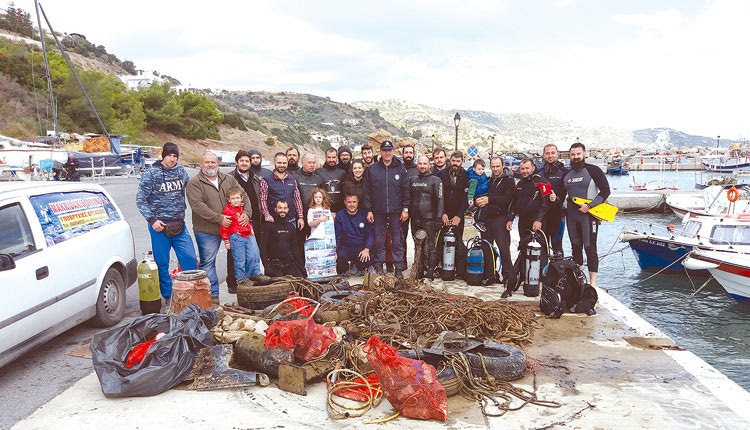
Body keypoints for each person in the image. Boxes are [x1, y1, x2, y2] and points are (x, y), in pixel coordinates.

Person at [136, 142, 197, 305]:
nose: (172, 159)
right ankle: (169, 297)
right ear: (163, 155)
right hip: (159, 226)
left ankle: (190, 293)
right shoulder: (151, 174)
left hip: (179, 225)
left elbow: (193, 189)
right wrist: (152, 220)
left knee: (190, 258)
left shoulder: (181, 171)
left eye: (175, 156)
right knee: (162, 263)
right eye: (169, 155)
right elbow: (140, 199)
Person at [187, 151, 251, 304]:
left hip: (233, 228)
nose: (210, 165)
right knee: (208, 262)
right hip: (207, 230)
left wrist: (247, 214)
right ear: (201, 164)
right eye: (207, 162)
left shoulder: (228, 179)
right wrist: (219, 219)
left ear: (218, 163)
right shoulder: (194, 183)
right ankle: (213, 296)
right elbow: (198, 206)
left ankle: (245, 292)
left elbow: (245, 196)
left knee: (244, 258)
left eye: (213, 162)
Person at [563, 141, 611, 288]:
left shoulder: (593, 170)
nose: (576, 157)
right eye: (573, 154)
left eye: (578, 154)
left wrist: (589, 206)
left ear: (584, 154)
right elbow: (562, 196)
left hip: (589, 216)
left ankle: (593, 284)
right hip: (572, 217)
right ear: (569, 156)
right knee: (575, 247)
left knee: (590, 248)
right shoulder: (567, 174)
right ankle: (579, 281)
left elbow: (605, 191)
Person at [362, 140, 410, 278]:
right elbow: (367, 191)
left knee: (397, 240)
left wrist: (405, 209)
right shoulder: (373, 169)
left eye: (389, 150)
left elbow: (406, 190)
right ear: (380, 152)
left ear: (393, 151)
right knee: (379, 240)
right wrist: (369, 209)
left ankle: (398, 268)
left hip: (396, 212)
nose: (387, 153)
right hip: (378, 211)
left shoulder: (400, 168)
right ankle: (379, 266)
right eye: (384, 150)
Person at [226, 150, 265, 293]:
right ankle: (233, 282)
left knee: (253, 253)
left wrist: (252, 215)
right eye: (241, 161)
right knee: (235, 254)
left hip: (253, 220)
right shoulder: (229, 177)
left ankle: (250, 278)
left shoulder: (255, 178)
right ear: (236, 162)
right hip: (236, 223)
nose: (244, 163)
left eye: (247, 161)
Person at [476, 157, 515, 294]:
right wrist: (478, 201)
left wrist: (489, 199)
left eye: (498, 166)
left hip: (500, 218)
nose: (495, 169)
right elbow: (481, 194)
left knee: (503, 248)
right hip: (487, 219)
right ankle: (490, 274)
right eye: (493, 166)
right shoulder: (489, 180)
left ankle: (509, 277)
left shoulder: (509, 181)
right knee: (487, 247)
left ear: (503, 166)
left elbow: (507, 199)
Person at [409, 155, 444, 279]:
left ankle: (430, 272)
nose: (422, 166)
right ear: (417, 165)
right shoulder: (412, 180)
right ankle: (419, 271)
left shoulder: (436, 181)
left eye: (425, 164)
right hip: (415, 218)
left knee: (431, 247)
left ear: (430, 165)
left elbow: (440, 200)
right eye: (420, 164)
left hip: (430, 218)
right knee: (418, 245)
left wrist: (438, 218)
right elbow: (408, 199)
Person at [221, 187, 262, 282]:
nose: (235, 201)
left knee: (253, 255)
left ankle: (250, 275)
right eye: (233, 198)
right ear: (229, 200)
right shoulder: (227, 210)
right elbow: (224, 227)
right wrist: (226, 240)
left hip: (247, 235)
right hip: (236, 237)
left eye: (237, 198)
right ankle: (241, 279)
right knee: (240, 260)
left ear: (242, 198)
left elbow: (245, 220)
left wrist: (250, 227)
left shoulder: (242, 208)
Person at [536, 144, 569, 256]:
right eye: (547, 153)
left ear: (557, 154)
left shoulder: (565, 172)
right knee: (542, 248)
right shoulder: (539, 173)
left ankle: (558, 272)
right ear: (544, 155)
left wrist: (557, 199)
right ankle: (544, 273)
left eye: (552, 153)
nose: (550, 156)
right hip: (542, 216)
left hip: (558, 215)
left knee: (557, 247)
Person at [259, 152, 305, 231]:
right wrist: (267, 215)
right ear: (274, 163)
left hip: (291, 220)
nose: (282, 165)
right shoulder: (266, 180)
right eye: (279, 163)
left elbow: (297, 199)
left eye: (284, 163)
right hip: (274, 221)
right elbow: (263, 200)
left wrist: (300, 217)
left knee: (292, 243)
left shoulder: (292, 179)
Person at [259, 200, 304, 277]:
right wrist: (267, 267)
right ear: (275, 209)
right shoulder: (268, 226)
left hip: (288, 263)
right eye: (280, 208)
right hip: (274, 265)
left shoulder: (290, 227)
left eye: (285, 208)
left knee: (301, 281)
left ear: (288, 210)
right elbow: (262, 248)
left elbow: (295, 249)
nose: (282, 210)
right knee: (282, 284)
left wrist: (302, 268)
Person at [506, 158, 551, 234]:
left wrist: (539, 220)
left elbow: (546, 203)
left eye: (527, 168)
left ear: (533, 168)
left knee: (538, 245)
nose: (524, 171)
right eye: (522, 168)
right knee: (523, 244)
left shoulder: (541, 181)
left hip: (537, 222)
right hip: (523, 222)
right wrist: (510, 219)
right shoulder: (520, 184)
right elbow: (515, 202)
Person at [335, 194, 373, 276]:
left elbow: (370, 234)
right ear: (345, 202)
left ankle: (360, 267)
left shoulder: (364, 215)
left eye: (354, 202)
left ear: (357, 202)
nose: (352, 204)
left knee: (366, 260)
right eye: (349, 202)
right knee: (340, 260)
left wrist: (367, 249)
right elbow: (337, 236)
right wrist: (335, 252)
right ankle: (345, 269)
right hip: (345, 247)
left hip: (360, 246)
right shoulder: (339, 215)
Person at [316, 147, 347, 213]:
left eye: (333, 157)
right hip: (324, 210)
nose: (331, 160)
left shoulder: (342, 173)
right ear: (325, 157)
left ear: (337, 157)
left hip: (340, 210)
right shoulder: (318, 172)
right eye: (329, 157)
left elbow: (345, 192)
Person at [466, 158, 490, 232]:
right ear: (474, 169)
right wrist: (470, 198)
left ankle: (481, 222)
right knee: (481, 208)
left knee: (484, 209)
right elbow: (471, 190)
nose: (481, 171)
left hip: (484, 193)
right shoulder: (474, 179)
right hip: (479, 194)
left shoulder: (482, 175)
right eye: (479, 169)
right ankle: (479, 222)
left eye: (482, 169)